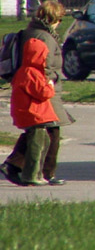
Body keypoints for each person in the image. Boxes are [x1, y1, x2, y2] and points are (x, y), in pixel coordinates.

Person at [1, 0, 73, 186]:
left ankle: (15, 164)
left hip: (36, 88)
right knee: (51, 132)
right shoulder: (43, 37)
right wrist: (52, 80)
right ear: (53, 18)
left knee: (37, 131)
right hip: (44, 91)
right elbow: (43, 65)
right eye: (59, 19)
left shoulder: (31, 31)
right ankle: (44, 173)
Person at [7, 35, 59, 185]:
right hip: (34, 114)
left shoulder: (24, 71)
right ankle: (31, 175)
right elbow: (43, 93)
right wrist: (50, 85)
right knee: (37, 146)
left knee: (44, 141)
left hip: (31, 114)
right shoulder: (31, 73)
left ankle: (36, 173)